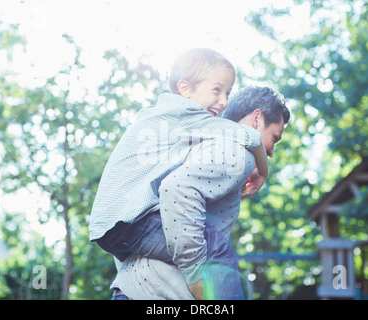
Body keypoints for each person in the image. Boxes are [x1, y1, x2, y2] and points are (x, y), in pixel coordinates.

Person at [89, 48, 269, 299]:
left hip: (109, 228)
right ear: (185, 88)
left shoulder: (157, 115)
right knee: (216, 249)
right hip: (133, 221)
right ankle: (201, 288)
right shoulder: (187, 114)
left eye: (227, 92)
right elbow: (250, 137)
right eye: (216, 90)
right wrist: (262, 171)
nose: (224, 101)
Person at [110, 85, 290, 300]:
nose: (270, 153)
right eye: (274, 138)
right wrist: (198, 283)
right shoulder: (237, 153)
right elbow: (176, 188)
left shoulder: (189, 147)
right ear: (257, 119)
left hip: (130, 289)